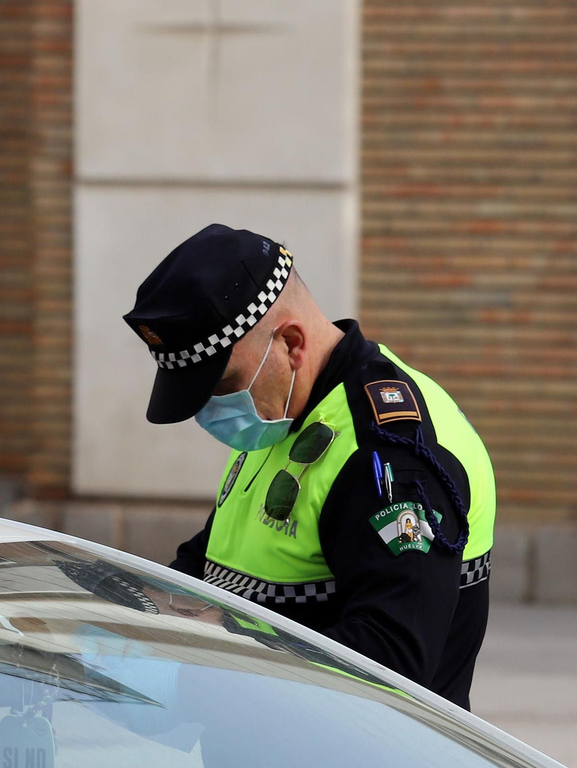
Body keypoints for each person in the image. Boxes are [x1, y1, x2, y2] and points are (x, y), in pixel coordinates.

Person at [122, 224, 496, 709]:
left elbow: (396, 659)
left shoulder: (385, 453)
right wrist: (114, 610)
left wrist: (228, 649)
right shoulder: (283, 415)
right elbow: (214, 562)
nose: (209, 409)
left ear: (291, 344)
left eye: (221, 383)